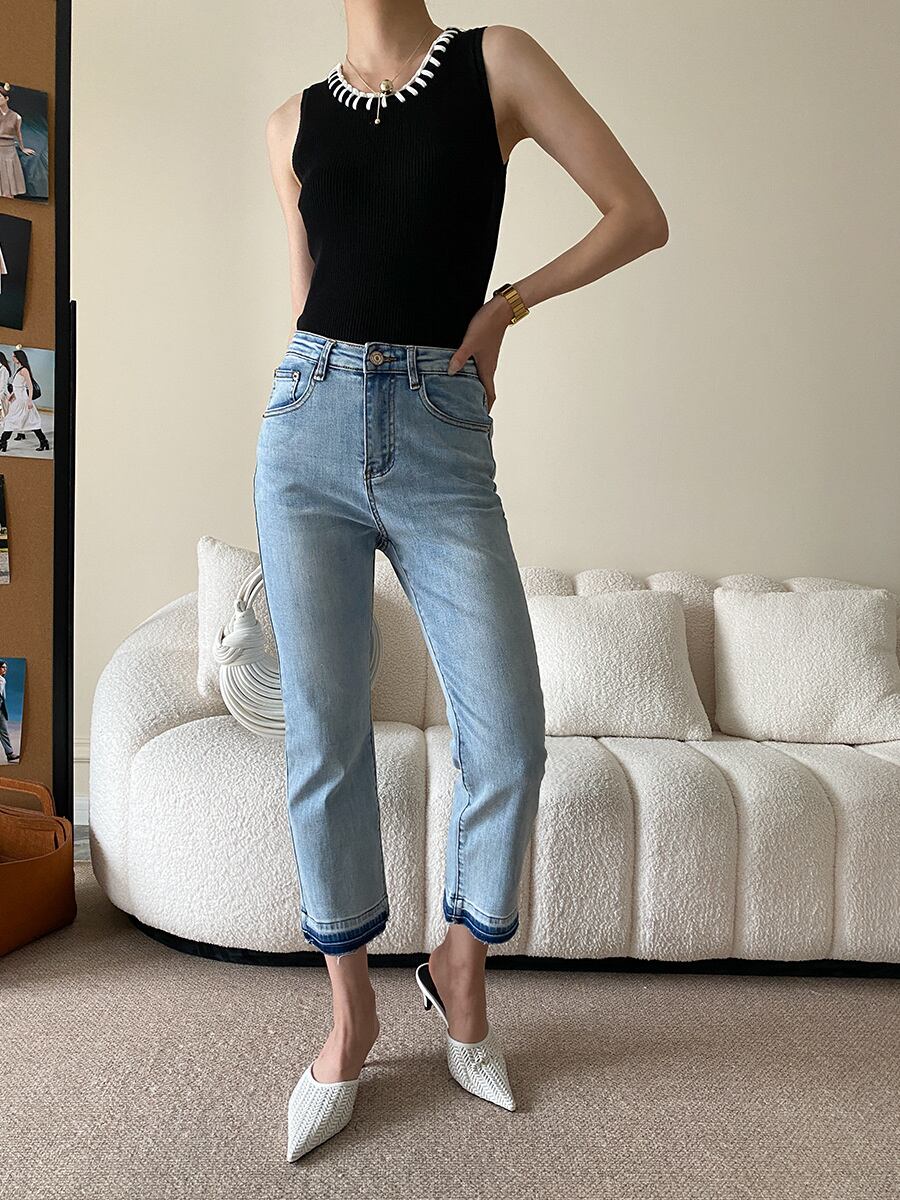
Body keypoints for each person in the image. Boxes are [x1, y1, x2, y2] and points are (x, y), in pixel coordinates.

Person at [256, 2, 668, 1160]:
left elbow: (639, 216)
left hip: (439, 427)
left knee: (511, 734)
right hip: (307, 424)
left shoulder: (497, 63)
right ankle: (350, 1016)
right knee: (323, 737)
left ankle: (459, 965)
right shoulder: (289, 125)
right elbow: (308, 302)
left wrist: (507, 306)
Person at [0, 348, 50, 453]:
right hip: (17, 400)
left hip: (22, 401)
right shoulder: (19, 369)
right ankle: (3, 443)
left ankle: (43, 442)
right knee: (14, 420)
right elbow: (18, 386)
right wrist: (12, 394)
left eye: (14, 356)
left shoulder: (24, 370)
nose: (12, 358)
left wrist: (30, 400)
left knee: (29, 421)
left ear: (19, 358)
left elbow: (30, 386)